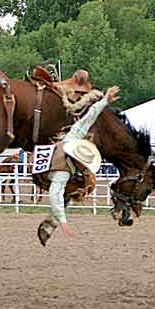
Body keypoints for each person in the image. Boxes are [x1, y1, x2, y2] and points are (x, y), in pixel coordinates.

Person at [45, 86, 121, 238]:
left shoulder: (74, 136)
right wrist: (63, 222)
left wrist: (105, 100)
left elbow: (89, 117)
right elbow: (55, 196)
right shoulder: (62, 172)